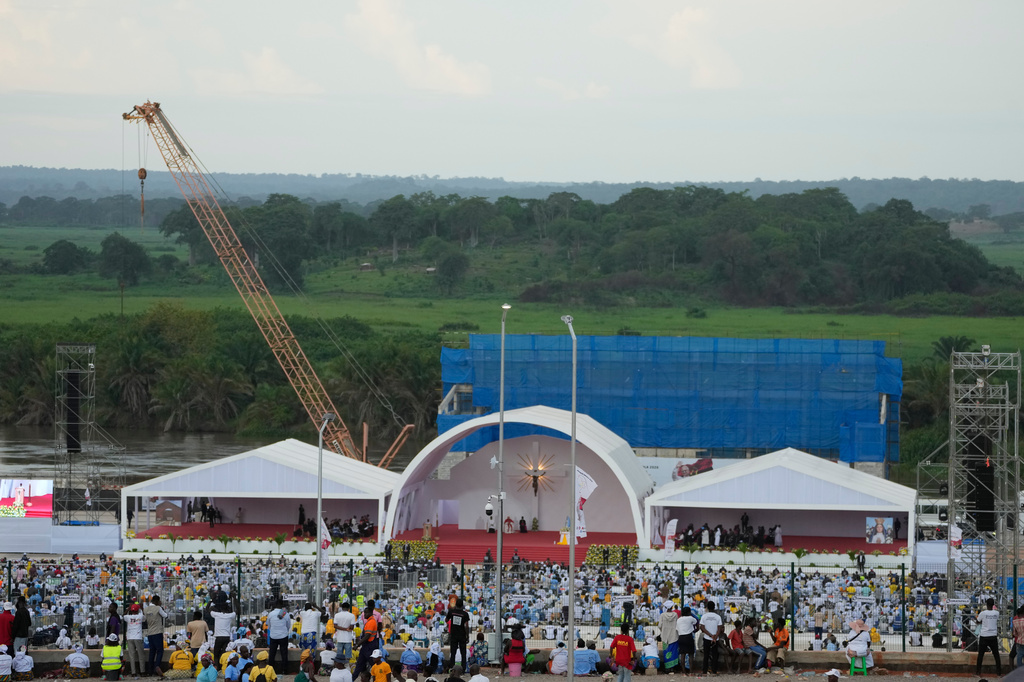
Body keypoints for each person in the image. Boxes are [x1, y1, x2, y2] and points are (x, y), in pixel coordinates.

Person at [977, 597, 1002, 676]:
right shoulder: (996, 613)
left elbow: (978, 621)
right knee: (996, 655)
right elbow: (995, 620)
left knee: (980, 655)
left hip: (984, 635)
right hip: (993, 635)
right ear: (993, 605)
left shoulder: (983, 613)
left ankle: (978, 672)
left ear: (986, 604)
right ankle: (999, 673)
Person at [354, 607, 380, 678]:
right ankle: (352, 679)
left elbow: (367, 636)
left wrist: (357, 644)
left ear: (371, 613)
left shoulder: (371, 622)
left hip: (369, 647)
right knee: (359, 665)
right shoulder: (369, 621)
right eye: (364, 613)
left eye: (366, 613)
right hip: (367, 646)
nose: (364, 614)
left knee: (373, 665)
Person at [267, 600, 292, 673]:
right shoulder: (285, 613)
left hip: (273, 636)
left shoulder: (270, 614)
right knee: (284, 653)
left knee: (272, 653)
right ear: (282, 605)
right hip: (283, 636)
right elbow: (288, 626)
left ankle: (270, 669)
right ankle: (284, 670)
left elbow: (269, 626)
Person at [144, 596, 167, 676]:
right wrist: (160, 607)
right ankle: (156, 668)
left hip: (150, 633)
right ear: (157, 601)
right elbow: (165, 615)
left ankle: (150, 671)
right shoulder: (158, 608)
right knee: (160, 651)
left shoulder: (146, 609)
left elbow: (144, 619)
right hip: (157, 632)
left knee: (152, 652)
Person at [445, 599, 470, 672]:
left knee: (453, 652)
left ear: (455, 604)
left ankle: (452, 668)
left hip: (453, 634)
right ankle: (463, 668)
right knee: (463, 653)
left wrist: (452, 622)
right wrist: (467, 635)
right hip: (462, 635)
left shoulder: (451, 612)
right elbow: (466, 626)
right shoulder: (465, 614)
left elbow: (446, 620)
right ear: (462, 605)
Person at [699, 603, 723, 675]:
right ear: (714, 607)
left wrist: (710, 635)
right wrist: (715, 636)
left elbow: (702, 627)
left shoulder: (704, 616)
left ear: (707, 607)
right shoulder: (718, 616)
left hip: (707, 638)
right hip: (716, 639)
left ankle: (704, 671)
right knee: (715, 655)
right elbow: (720, 628)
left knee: (706, 655)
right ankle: (714, 671)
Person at [123, 603, 145, 678]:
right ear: (138, 610)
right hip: (138, 637)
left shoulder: (128, 617)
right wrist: (142, 608)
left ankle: (133, 672)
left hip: (130, 637)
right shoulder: (140, 616)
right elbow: (145, 617)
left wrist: (128, 608)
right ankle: (142, 671)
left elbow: (123, 615)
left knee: (132, 656)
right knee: (141, 655)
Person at [675, 606, 697, 674]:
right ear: (689, 612)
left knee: (682, 654)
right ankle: (691, 671)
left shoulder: (679, 619)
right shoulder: (690, 618)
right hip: (688, 636)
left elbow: (677, 629)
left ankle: (683, 671)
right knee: (690, 654)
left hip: (681, 637)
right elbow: (695, 621)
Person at [334, 603, 356, 667]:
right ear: (349, 608)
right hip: (348, 638)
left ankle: (339, 667)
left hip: (340, 638)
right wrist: (347, 629)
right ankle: (346, 667)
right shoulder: (351, 616)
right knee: (348, 656)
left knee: (339, 655)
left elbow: (335, 626)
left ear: (341, 607)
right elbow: (351, 627)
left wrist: (343, 628)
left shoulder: (337, 615)